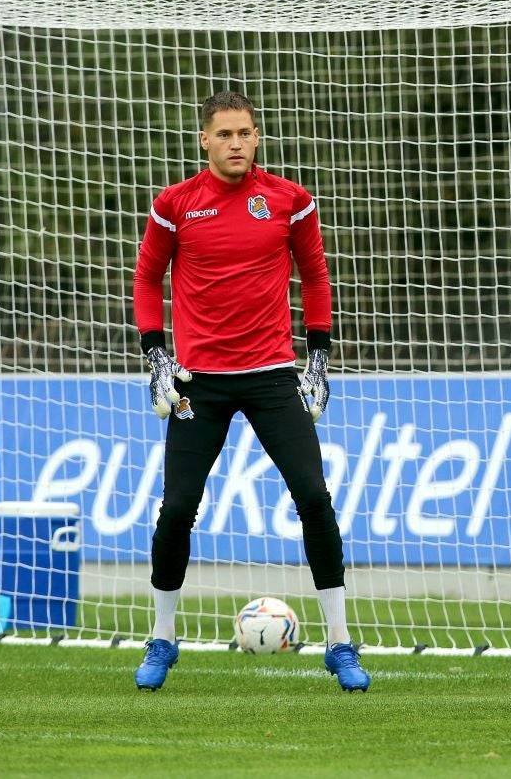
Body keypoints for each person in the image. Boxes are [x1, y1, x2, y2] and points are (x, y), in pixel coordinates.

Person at [130, 91, 369, 693]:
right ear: (204, 140)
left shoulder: (289, 200)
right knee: (177, 508)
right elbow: (146, 276)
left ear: (256, 137)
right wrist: (154, 353)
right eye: (226, 133)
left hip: (272, 378)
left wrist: (319, 353)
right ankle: (162, 639)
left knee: (314, 497)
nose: (237, 142)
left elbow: (315, 274)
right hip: (197, 387)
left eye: (247, 133)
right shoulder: (175, 205)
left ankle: (340, 645)